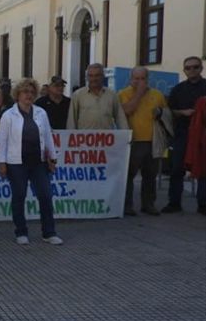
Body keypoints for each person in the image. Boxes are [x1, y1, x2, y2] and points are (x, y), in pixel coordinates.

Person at [0, 78, 62, 245]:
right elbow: (2, 141)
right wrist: (2, 163)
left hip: (38, 162)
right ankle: (21, 231)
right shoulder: (8, 115)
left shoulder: (41, 113)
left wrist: (52, 157)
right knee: (19, 196)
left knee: (46, 195)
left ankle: (49, 232)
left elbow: (48, 136)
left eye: (32, 92)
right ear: (17, 95)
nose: (29, 95)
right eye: (25, 92)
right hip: (16, 163)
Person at [118, 67, 167, 216]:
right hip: (133, 141)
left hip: (153, 141)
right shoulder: (123, 94)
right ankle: (127, 205)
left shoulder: (157, 95)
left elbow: (165, 115)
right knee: (129, 175)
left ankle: (148, 204)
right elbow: (126, 111)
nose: (139, 82)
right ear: (130, 79)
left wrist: (161, 113)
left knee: (150, 175)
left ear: (148, 79)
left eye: (142, 79)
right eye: (136, 78)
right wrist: (139, 93)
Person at [164, 56, 206, 214]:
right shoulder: (178, 89)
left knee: (204, 169)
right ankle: (174, 203)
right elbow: (170, 111)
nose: (192, 70)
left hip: (203, 134)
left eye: (195, 67)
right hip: (182, 133)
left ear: (201, 68)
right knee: (176, 168)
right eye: (188, 68)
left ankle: (203, 204)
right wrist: (183, 112)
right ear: (184, 70)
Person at [67, 63, 129, 130]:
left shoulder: (112, 95)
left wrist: (125, 136)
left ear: (103, 76)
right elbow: (72, 120)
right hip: (84, 139)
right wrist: (70, 137)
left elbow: (120, 118)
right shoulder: (78, 95)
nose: (94, 79)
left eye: (97, 75)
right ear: (87, 77)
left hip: (106, 138)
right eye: (91, 76)